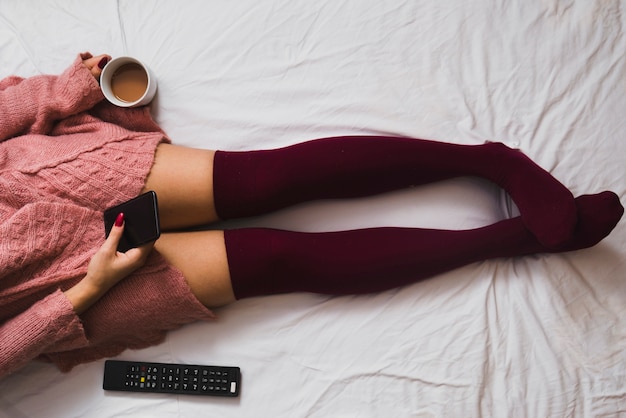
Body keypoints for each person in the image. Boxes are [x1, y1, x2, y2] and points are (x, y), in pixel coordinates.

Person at [0, 53, 622, 379]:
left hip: (27, 182)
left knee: (267, 178)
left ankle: (493, 162)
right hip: (59, 289)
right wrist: (92, 287)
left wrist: (61, 92)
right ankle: (511, 239)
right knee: (278, 260)